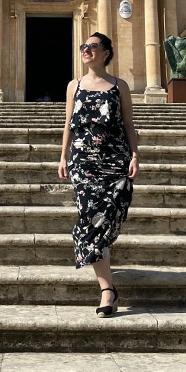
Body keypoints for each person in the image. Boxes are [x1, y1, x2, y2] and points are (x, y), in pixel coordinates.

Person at [58, 32, 139, 317]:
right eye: (83, 47)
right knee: (90, 220)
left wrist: (135, 155)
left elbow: (129, 124)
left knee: (111, 214)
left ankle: (103, 257)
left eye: (92, 47)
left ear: (106, 53)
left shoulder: (120, 86)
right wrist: (63, 156)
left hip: (115, 160)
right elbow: (69, 123)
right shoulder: (74, 86)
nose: (86, 50)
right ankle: (108, 289)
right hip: (84, 162)